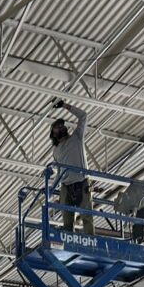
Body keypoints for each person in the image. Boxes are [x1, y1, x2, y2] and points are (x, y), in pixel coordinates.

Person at [50, 99, 95, 235]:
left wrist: (65, 106)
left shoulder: (77, 137)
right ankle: (69, 240)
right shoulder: (55, 151)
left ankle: (90, 241)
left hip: (82, 182)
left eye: (62, 125)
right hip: (65, 186)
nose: (62, 127)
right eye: (58, 127)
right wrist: (53, 188)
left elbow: (83, 116)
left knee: (87, 216)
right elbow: (59, 171)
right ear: (54, 134)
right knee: (67, 221)